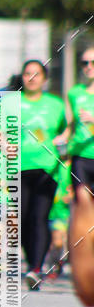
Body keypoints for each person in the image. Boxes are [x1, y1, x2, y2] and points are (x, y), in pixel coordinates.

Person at [18, 60, 67, 290]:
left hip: (47, 168)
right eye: (27, 74)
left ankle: (35, 269)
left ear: (44, 79)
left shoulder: (55, 104)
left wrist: (63, 142)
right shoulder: (11, 104)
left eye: (36, 74)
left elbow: (68, 129)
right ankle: (32, 264)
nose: (31, 78)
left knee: (39, 217)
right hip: (18, 167)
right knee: (23, 219)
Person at [58, 45, 94, 196]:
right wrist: (63, 137)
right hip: (80, 157)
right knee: (82, 204)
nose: (88, 67)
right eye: (84, 63)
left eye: (93, 62)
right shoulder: (74, 93)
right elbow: (72, 124)